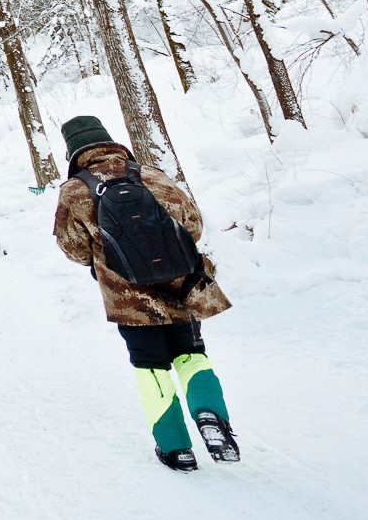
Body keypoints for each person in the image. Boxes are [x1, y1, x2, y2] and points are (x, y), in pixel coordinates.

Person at [52, 115, 241, 471]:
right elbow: (193, 225)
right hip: (179, 285)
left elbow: (73, 247)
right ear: (109, 140)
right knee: (191, 355)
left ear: (73, 152)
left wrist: (106, 255)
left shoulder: (74, 190)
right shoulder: (149, 174)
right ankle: (211, 416)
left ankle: (176, 450)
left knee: (150, 367)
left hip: (128, 298)